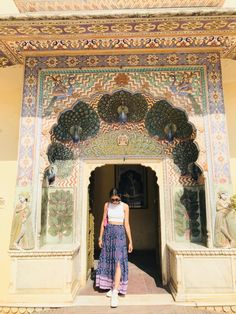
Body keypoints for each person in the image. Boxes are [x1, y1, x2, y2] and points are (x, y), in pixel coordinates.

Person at [95, 188, 133, 308]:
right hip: (108, 234)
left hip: (120, 235)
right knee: (109, 260)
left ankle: (115, 291)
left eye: (117, 199)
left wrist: (130, 241)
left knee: (118, 262)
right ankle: (112, 286)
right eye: (113, 199)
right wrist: (100, 237)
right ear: (110, 197)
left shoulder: (125, 206)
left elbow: (126, 223)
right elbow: (103, 222)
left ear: (120, 197)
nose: (115, 201)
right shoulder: (107, 205)